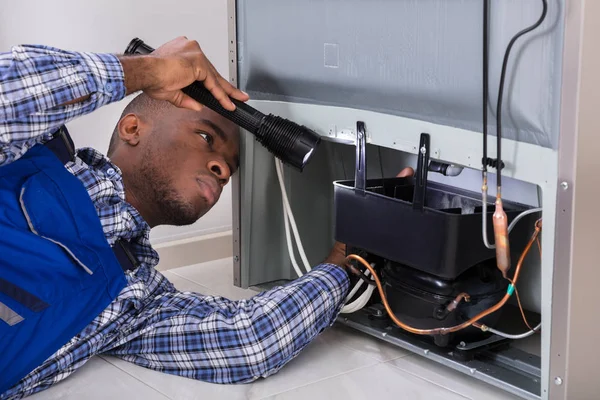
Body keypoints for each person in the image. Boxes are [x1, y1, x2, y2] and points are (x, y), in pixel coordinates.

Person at [0, 37, 413, 399]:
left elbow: (247, 341)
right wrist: (147, 70)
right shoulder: (27, 156)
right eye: (204, 137)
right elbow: (11, 92)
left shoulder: (131, 298)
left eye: (229, 167)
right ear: (132, 128)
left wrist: (346, 258)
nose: (220, 167)